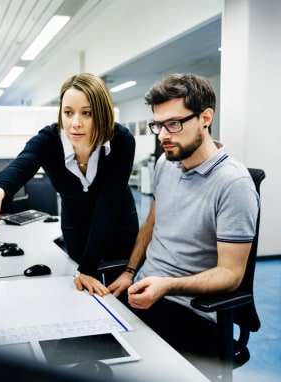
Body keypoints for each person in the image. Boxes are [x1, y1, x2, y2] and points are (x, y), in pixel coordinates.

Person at [108, 73, 260, 355]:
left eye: (174, 124)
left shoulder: (234, 184)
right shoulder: (167, 162)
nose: (164, 135)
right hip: (146, 294)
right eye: (158, 125)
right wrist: (130, 272)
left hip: (193, 312)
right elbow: (152, 224)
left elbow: (231, 275)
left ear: (205, 118)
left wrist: (167, 286)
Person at [0, 73, 139, 296]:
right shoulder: (49, 139)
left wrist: (88, 268)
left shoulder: (121, 140)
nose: (75, 123)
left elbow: (108, 203)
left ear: (103, 113)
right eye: (68, 113)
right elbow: (22, 164)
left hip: (117, 223)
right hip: (75, 224)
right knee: (81, 289)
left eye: (87, 113)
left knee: (117, 292)